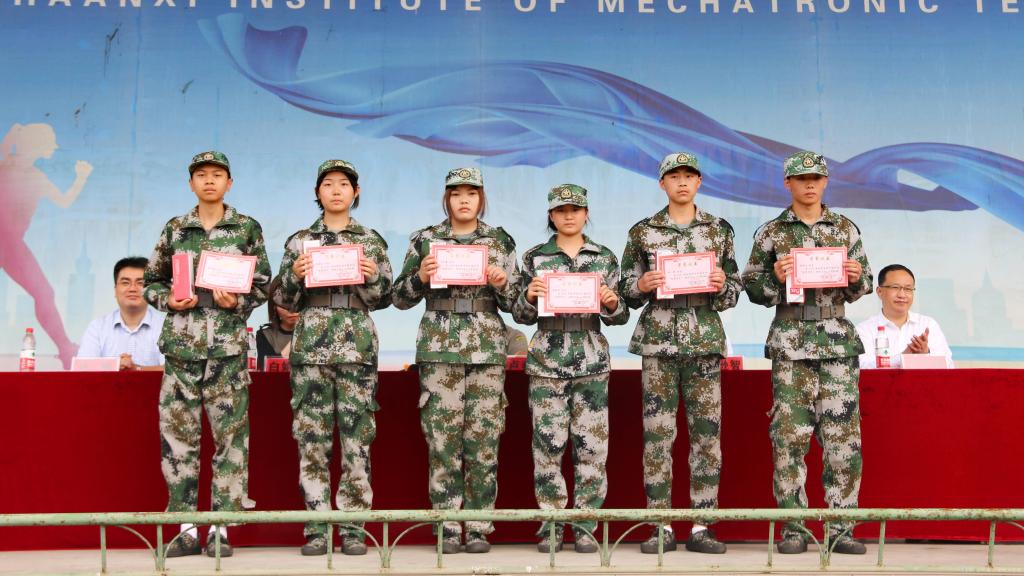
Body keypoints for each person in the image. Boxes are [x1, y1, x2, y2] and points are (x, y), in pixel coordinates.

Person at [742, 151, 872, 555]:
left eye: (816, 177)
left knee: (843, 438)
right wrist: (775, 278)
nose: (809, 184)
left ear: (826, 181)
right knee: (789, 437)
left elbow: (864, 282)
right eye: (801, 179)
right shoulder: (771, 232)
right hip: (791, 341)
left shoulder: (845, 228)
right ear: (788, 184)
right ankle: (793, 528)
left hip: (836, 342)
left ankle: (841, 528)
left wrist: (856, 277)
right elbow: (752, 287)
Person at [143, 151, 271, 558]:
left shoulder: (247, 228)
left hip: (227, 350)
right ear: (191, 183)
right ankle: (184, 528)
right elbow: (151, 281)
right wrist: (168, 300)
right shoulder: (176, 228)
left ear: (229, 183)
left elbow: (263, 284)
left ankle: (220, 528)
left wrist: (238, 301)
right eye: (202, 175)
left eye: (217, 175)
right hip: (182, 348)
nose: (210, 181)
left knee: (230, 439)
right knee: (179, 439)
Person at [392, 167, 520, 554]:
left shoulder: (499, 241)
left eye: (471, 193)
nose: (464, 200)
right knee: (443, 443)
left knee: (483, 443)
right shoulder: (425, 240)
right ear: (446, 198)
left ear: (482, 198)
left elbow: (520, 306)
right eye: (456, 193)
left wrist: (503, 285)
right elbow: (399, 298)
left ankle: (478, 527)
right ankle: (447, 526)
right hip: (439, 349)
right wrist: (420, 277)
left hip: (486, 351)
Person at [618, 153, 741, 555]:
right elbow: (624, 290)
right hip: (659, 342)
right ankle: (661, 525)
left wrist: (722, 285)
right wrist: (641, 285)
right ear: (662, 184)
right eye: (674, 176)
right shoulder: (643, 232)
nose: (682, 182)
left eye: (689, 176)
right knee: (658, 436)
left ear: (699, 182)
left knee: (707, 436)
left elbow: (734, 290)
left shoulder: (719, 230)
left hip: (703, 341)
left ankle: (703, 525)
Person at [273, 159, 393, 556]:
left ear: (355, 193)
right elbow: (283, 299)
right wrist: (294, 274)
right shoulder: (300, 241)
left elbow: (386, 298)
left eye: (344, 184)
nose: (336, 190)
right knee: (312, 439)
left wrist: (372, 276)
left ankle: (354, 528)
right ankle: (317, 527)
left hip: (356, 347)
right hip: (311, 348)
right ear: (318, 192)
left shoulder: (370, 240)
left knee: (357, 439)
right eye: (328, 184)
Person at [512, 184, 628, 553]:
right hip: (547, 360)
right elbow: (519, 314)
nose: (568, 215)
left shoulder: (604, 258)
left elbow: (621, 315)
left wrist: (612, 303)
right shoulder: (534, 258)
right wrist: (529, 296)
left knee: (591, 447)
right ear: (551, 215)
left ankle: (585, 525)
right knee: (548, 445)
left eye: (575, 209)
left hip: (591, 360)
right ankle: (552, 524)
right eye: (561, 210)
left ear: (586, 213)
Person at [0, 122, 92, 368]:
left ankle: (65, 348)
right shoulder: (7, 164)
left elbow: (64, 201)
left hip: (12, 245)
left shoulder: (37, 178)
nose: (53, 148)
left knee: (44, 293)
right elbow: (5, 150)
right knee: (44, 292)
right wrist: (13, 133)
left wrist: (80, 178)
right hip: (4, 240)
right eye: (50, 143)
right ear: (38, 144)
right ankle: (65, 347)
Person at [856, 264, 954, 368]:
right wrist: (903, 358)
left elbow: (948, 365)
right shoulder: (864, 329)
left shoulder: (928, 324)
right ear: (880, 292)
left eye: (908, 289)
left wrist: (926, 354)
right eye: (895, 287)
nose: (902, 295)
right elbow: (861, 365)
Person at [77, 256, 165, 371]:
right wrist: (114, 366)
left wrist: (137, 369)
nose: (132, 288)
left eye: (140, 283)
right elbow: (82, 369)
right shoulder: (98, 327)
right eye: (125, 283)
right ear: (115, 290)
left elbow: (173, 371)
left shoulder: (165, 326)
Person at [255, 278, 298, 368]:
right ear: (274, 306)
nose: (291, 311)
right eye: (284, 303)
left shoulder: (319, 331)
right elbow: (268, 370)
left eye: (296, 303)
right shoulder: (265, 335)